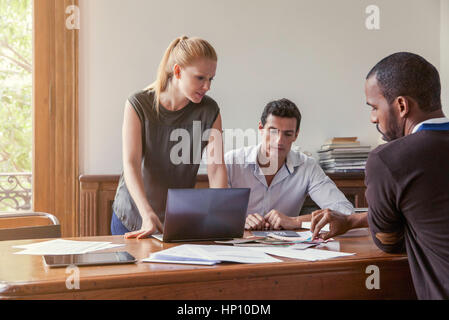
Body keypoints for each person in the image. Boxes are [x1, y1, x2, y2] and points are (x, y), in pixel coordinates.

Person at [310, 52, 449, 299]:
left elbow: (389, 242)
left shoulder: (388, 160)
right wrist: (353, 220)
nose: (373, 118)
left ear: (402, 106)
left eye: (374, 107)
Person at [111, 36, 227, 239]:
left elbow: (216, 168)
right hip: (132, 215)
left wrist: (220, 216)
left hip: (176, 218)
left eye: (211, 79)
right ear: (177, 71)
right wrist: (146, 213)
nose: (207, 86)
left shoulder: (210, 110)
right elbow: (131, 163)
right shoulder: (138, 103)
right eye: (200, 78)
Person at [225, 98, 354, 230]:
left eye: (287, 134)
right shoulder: (232, 162)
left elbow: (345, 212)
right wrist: (240, 221)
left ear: (296, 135)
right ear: (261, 129)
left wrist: (295, 221)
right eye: (273, 131)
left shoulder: (307, 166)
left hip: (286, 247)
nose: (279, 140)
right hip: (240, 245)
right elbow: (215, 215)